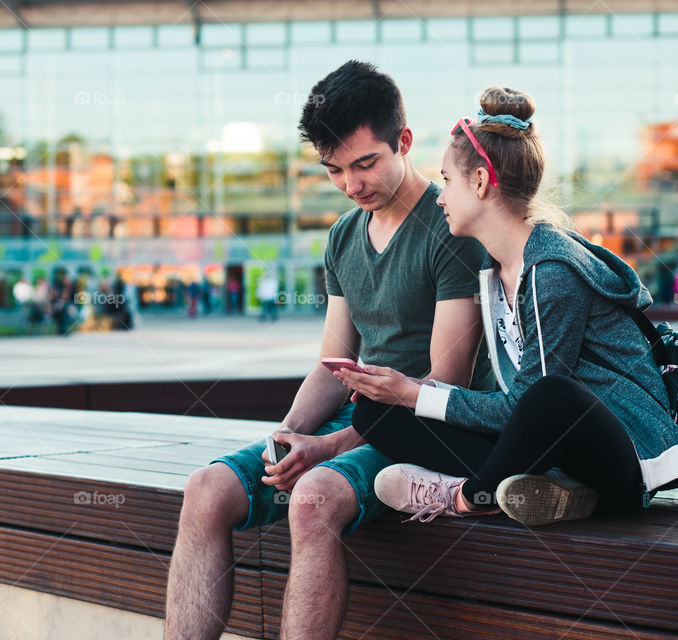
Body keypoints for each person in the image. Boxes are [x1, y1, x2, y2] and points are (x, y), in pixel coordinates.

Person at [164, 60, 491, 640]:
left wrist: (328, 449)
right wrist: (287, 438)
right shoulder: (343, 236)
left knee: (312, 499)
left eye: (365, 163)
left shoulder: (449, 227)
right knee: (206, 488)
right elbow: (332, 363)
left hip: (427, 426)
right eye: (335, 170)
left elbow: (445, 381)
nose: (351, 184)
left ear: (404, 142)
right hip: (361, 417)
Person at [338, 86, 678, 527]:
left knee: (550, 393)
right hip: (548, 443)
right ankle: (546, 488)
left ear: (481, 182)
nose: (440, 197)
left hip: (628, 458)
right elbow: (515, 408)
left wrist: (416, 391)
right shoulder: (493, 270)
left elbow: (536, 402)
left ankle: (466, 495)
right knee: (377, 413)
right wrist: (401, 393)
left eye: (447, 180)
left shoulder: (550, 270)